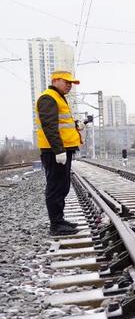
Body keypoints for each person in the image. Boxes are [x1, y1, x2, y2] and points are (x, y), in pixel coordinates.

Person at [36, 70, 85, 236]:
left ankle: (60, 220)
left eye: (71, 83)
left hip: (62, 150)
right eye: (67, 82)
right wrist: (59, 150)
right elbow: (49, 126)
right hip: (55, 151)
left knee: (62, 187)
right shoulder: (48, 97)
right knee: (56, 187)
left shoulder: (58, 97)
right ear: (55, 80)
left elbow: (61, 124)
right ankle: (56, 225)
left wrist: (76, 125)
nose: (69, 85)